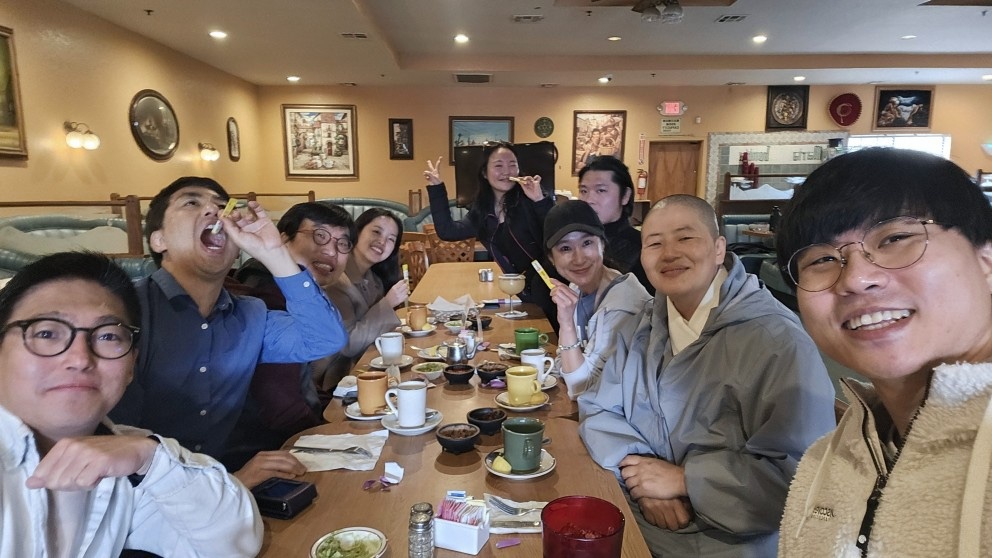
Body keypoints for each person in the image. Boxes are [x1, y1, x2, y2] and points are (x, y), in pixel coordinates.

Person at [578, 194, 836, 557]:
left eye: (685, 238)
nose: (669, 253)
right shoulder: (641, 326)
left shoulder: (777, 341)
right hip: (639, 516)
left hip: (731, 542)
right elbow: (598, 410)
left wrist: (684, 480)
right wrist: (644, 479)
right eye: (655, 243)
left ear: (719, 248)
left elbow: (802, 478)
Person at [776, 148, 992, 556]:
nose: (856, 278)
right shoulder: (830, 459)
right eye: (822, 259)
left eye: (895, 239)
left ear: (986, 260)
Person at [0, 252, 261, 557]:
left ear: (131, 365)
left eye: (108, 336)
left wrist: (151, 459)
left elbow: (233, 543)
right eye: (46, 333)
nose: (80, 359)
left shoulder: (128, 462)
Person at [109, 176, 347, 489]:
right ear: (159, 240)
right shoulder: (120, 310)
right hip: (136, 501)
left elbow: (326, 339)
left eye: (223, 207)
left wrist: (274, 253)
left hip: (225, 491)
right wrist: (232, 483)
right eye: (192, 202)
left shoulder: (252, 315)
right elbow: (107, 439)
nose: (214, 211)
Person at [226, 201, 356, 469]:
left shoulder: (290, 291)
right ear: (282, 239)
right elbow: (281, 407)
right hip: (273, 454)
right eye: (320, 236)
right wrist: (333, 434)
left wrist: (338, 407)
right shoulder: (267, 296)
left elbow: (300, 381)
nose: (331, 251)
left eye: (342, 244)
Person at [423, 142, 559, 328]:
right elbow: (447, 231)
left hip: (553, 286)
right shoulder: (482, 213)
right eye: (498, 165)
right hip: (524, 293)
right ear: (485, 173)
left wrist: (539, 200)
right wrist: (437, 188)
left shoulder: (530, 199)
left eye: (512, 164)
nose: (506, 171)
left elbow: (557, 232)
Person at [545, 200, 651, 399]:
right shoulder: (576, 287)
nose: (579, 259)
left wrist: (566, 325)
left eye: (587, 243)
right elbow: (563, 362)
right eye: (565, 248)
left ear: (602, 244)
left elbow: (582, 389)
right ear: (552, 259)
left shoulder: (623, 306)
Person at [322, 208, 407, 391]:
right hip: (336, 381)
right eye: (376, 232)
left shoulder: (374, 280)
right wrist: (388, 303)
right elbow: (348, 345)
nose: (382, 241)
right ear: (357, 231)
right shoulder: (336, 280)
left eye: (391, 239)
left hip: (367, 369)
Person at [578, 155, 651, 290]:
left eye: (601, 190)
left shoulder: (642, 248)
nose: (589, 200)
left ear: (625, 196)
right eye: (584, 191)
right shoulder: (574, 239)